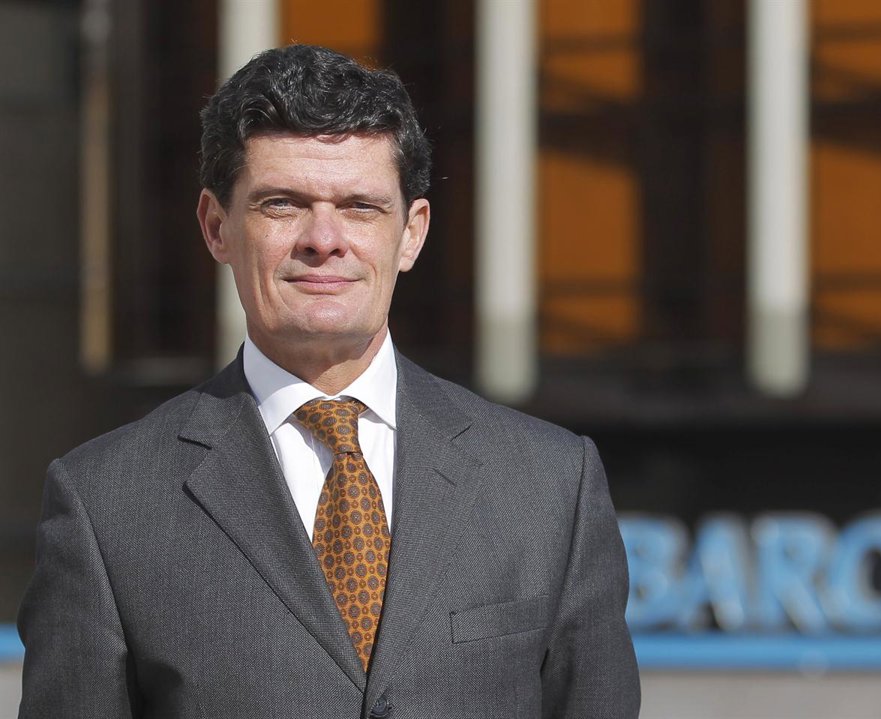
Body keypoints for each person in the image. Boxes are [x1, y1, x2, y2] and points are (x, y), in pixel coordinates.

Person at [18, 44, 640, 718]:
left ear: (412, 233)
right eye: (283, 204)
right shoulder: (106, 503)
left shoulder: (550, 485)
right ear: (217, 227)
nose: (324, 239)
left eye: (360, 207)